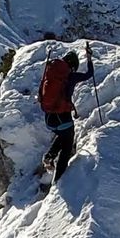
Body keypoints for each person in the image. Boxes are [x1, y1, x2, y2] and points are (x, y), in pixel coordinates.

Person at [38, 45, 96, 179]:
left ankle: (49, 156)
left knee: (63, 136)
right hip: (63, 118)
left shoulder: (51, 75)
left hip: (49, 118)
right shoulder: (71, 77)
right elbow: (89, 74)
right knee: (67, 146)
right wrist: (89, 58)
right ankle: (59, 178)